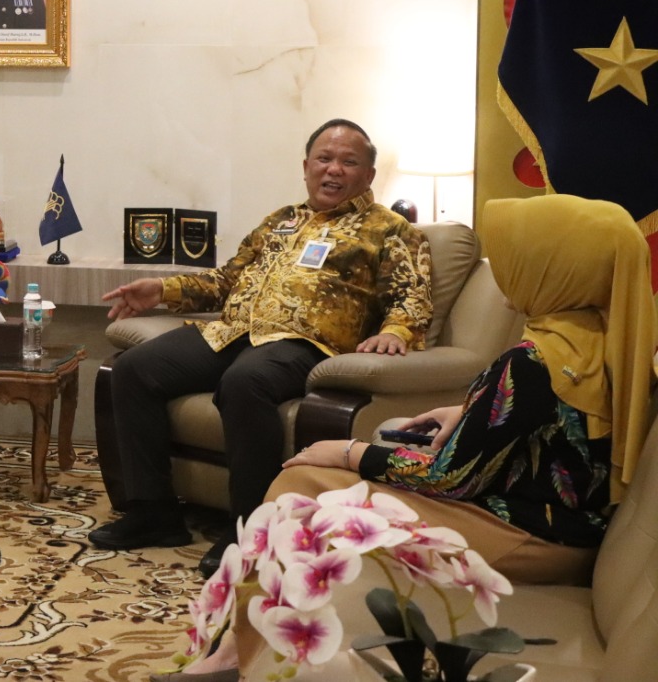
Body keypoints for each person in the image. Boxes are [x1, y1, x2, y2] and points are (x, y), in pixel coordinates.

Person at [166, 194, 658, 680]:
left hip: (529, 538)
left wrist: (351, 451)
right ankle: (239, 648)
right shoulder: (601, 340)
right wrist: (470, 413)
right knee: (306, 483)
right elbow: (556, 424)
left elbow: (449, 478)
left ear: (555, 268)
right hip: (563, 532)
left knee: (300, 484)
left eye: (517, 256)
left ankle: (236, 655)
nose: (506, 270)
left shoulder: (535, 361)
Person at [91, 119, 432, 578]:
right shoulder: (280, 220)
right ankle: (153, 512)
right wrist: (164, 289)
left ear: (368, 174)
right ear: (306, 167)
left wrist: (397, 330)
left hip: (306, 342)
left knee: (245, 381)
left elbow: (411, 295)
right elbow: (225, 281)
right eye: (324, 159)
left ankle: (251, 528)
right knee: (134, 368)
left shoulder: (390, 229)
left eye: (348, 162)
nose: (334, 169)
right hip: (234, 332)